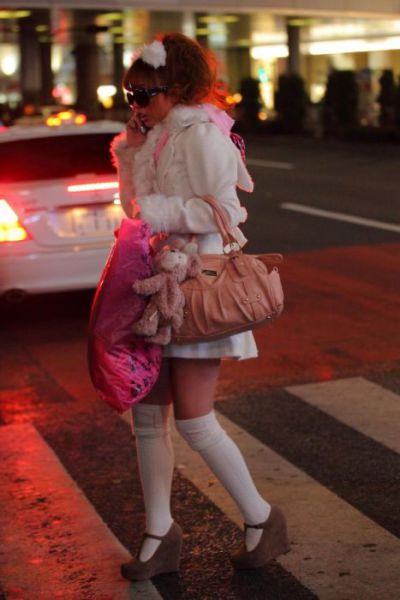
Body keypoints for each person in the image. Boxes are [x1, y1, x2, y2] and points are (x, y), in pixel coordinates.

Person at [111, 32, 289, 581]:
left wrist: (157, 211)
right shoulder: (156, 134)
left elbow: (226, 210)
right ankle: (159, 534)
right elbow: (133, 206)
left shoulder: (205, 133)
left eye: (147, 93)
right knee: (146, 415)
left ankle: (262, 519)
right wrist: (131, 150)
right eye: (130, 93)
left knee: (194, 419)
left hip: (199, 284)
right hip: (160, 282)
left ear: (179, 87)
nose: (137, 104)